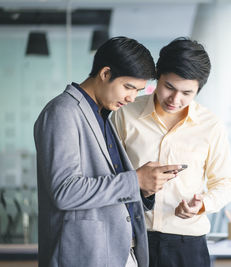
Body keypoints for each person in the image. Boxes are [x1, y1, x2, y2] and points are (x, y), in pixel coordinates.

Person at [34, 37, 182, 267]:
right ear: (105, 74)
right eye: (128, 87)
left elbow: (110, 186)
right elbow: (65, 191)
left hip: (118, 251)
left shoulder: (102, 114)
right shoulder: (62, 112)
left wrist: (144, 188)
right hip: (85, 254)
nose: (132, 98)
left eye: (138, 90)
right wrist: (135, 181)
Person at [112, 37, 231, 267]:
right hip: (134, 238)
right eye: (169, 87)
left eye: (187, 93)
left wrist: (202, 205)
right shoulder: (125, 114)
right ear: (157, 76)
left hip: (187, 244)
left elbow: (225, 182)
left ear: (198, 89)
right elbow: (109, 175)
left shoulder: (211, 126)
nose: (175, 99)